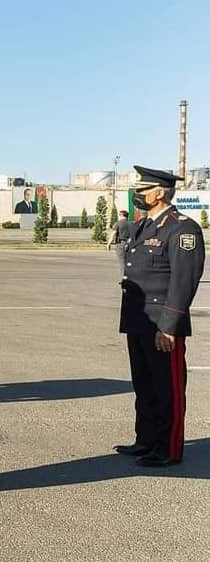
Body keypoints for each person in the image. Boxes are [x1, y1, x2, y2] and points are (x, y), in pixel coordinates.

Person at [115, 167, 205, 467]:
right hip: (140, 321)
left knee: (168, 388)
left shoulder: (182, 229)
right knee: (145, 384)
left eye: (142, 190)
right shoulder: (143, 226)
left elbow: (183, 281)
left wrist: (169, 326)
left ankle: (168, 448)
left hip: (162, 324)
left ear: (159, 192)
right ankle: (147, 439)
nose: (137, 195)